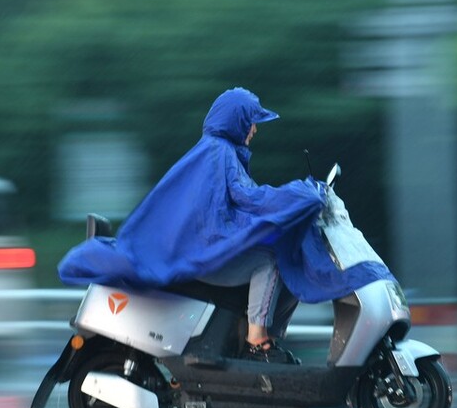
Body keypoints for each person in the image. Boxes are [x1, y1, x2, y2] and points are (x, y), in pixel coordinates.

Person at [59, 87, 327, 364]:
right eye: (252, 121)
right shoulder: (220, 153)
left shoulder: (216, 151)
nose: (255, 129)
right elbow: (248, 198)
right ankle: (257, 339)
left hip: (202, 247)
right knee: (271, 261)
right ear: (237, 121)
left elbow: (239, 203)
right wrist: (299, 194)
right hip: (204, 252)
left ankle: (252, 336)